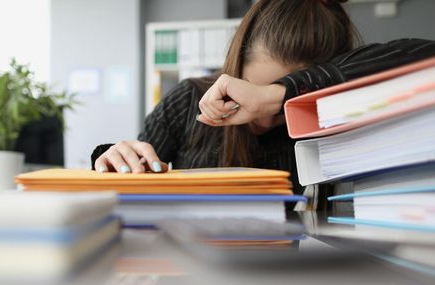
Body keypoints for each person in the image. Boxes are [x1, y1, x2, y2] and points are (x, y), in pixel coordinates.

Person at [92, 0, 435, 195]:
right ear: (235, 67)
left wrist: (279, 94)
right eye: (250, 92)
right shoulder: (186, 99)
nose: (264, 118)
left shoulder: (336, 117)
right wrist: (114, 159)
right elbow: (133, 182)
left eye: (280, 107)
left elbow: (424, 56)